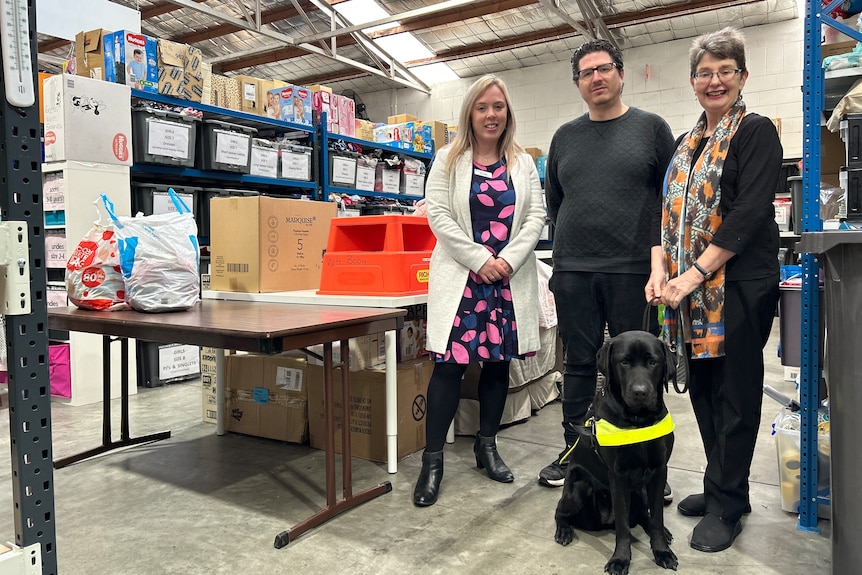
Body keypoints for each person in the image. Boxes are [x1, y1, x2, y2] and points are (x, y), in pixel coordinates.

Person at [646, 27, 782, 553]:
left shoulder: (755, 132)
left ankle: (728, 504)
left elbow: (748, 213)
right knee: (702, 392)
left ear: (743, 76)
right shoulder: (687, 144)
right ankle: (722, 486)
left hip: (738, 288)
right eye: (705, 72)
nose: (715, 80)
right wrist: (661, 267)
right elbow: (667, 215)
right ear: (692, 81)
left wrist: (693, 273)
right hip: (691, 294)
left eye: (726, 70)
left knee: (736, 396)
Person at [539, 39, 676, 493]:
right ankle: (576, 455)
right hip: (574, 268)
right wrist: (572, 247)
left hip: (634, 269)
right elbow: (555, 202)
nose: (595, 78)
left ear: (620, 73)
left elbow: (668, 200)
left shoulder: (651, 128)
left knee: (641, 367)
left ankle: (648, 462)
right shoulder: (564, 137)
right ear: (578, 83)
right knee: (578, 364)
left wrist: (659, 261)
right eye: (585, 73)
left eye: (603, 69)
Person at [413, 75, 545, 507]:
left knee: (497, 366)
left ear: (509, 112)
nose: (491, 115)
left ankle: (486, 446)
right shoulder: (448, 158)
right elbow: (438, 215)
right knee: (449, 368)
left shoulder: (522, 162)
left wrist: (507, 261)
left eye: (499, 107)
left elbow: (536, 216)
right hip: (464, 280)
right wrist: (480, 260)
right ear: (469, 112)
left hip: (507, 281)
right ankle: (432, 462)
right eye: (482, 107)